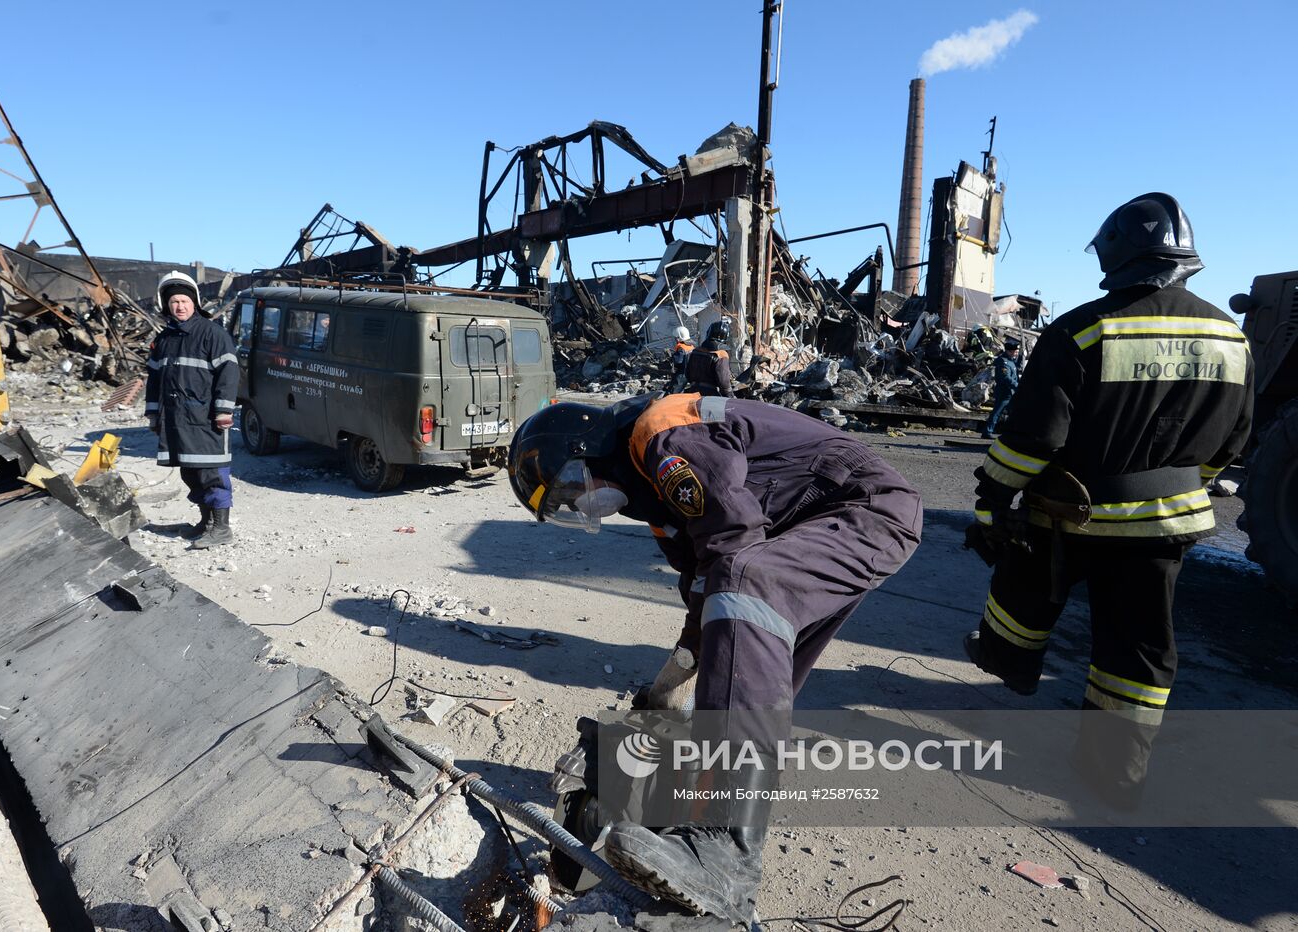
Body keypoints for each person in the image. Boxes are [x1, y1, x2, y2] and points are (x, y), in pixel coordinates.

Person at [508, 393, 922, 923]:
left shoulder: (661, 435)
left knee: (747, 587)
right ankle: (710, 871)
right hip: (825, 523)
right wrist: (668, 688)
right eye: (568, 505)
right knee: (744, 676)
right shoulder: (654, 501)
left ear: (586, 450)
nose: (581, 504)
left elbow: (733, 538)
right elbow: (704, 597)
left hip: (863, 505)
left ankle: (724, 847)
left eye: (572, 489)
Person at [962, 192, 1253, 804]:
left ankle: (1010, 669)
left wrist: (993, 501)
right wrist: (1181, 487)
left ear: (1117, 255)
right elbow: (1233, 440)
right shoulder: (1232, 337)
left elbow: (1034, 438)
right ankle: (1115, 772)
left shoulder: (1083, 328)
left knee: (1025, 590)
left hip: (1071, 512)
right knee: (1139, 647)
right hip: (1167, 523)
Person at [144, 271, 240, 549]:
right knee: (190, 472)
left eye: (185, 300)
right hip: (176, 419)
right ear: (166, 305)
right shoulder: (163, 340)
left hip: (206, 419)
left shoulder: (212, 334)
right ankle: (206, 522)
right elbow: (154, 381)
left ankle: (222, 528)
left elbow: (229, 374)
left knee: (213, 474)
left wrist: (224, 410)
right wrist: (153, 414)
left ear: (194, 302)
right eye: (174, 301)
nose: (180, 306)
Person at [980, 336, 1021, 438]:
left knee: (1014, 414)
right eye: (1015, 351)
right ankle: (987, 432)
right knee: (997, 412)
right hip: (1004, 392)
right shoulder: (1003, 362)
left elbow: (1016, 371)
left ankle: (1011, 433)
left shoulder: (1011, 361)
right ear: (1009, 351)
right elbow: (1005, 378)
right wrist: (1017, 386)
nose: (1016, 353)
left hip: (1011, 392)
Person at [685, 318, 734, 397]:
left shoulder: (695, 351)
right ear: (725, 338)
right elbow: (724, 382)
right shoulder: (721, 355)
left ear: (708, 333)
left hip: (692, 392)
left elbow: (687, 374)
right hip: (709, 397)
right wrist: (731, 397)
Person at [668, 325, 694, 393]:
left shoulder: (681, 348)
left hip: (682, 374)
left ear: (678, 338)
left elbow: (678, 361)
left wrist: (672, 357)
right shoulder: (691, 346)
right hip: (690, 372)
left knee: (673, 393)